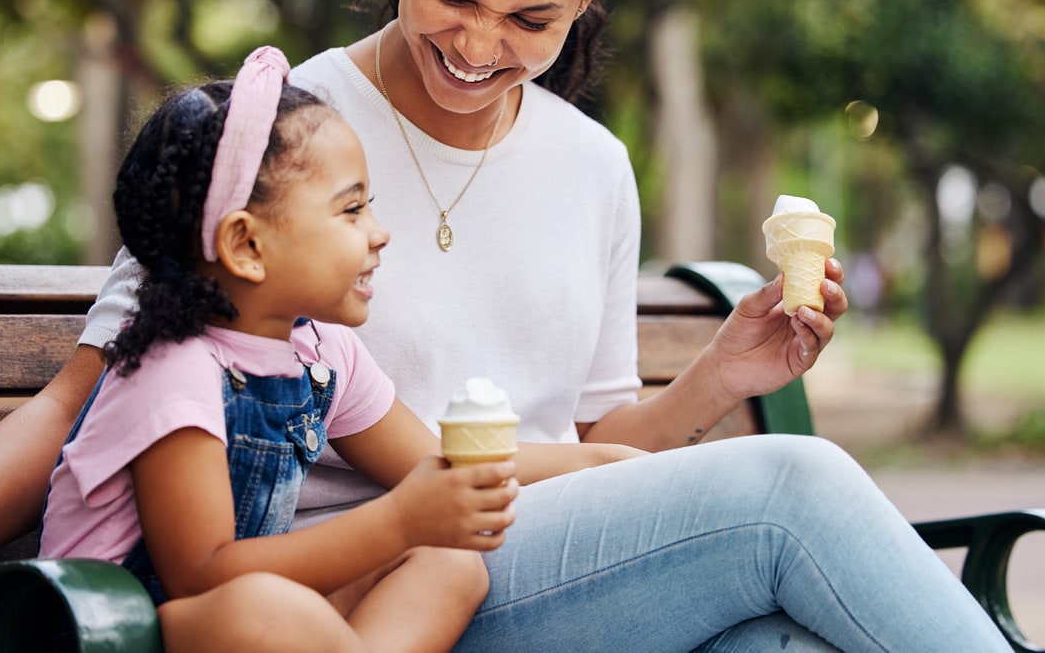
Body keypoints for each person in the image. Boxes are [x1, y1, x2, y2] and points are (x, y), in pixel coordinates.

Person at [0, 0, 1010, 651]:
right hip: (335, 589)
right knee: (791, 488)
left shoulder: (591, 166)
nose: (476, 46)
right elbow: (80, 397)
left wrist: (719, 376)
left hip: (495, 558)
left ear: (588, 1)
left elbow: (595, 442)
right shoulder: (284, 142)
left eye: (530, 19)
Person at [37, 46, 634, 653]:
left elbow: (431, 457)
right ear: (245, 245)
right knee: (265, 607)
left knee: (444, 559)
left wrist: (603, 462)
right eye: (351, 210)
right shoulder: (176, 373)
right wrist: (397, 519)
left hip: (245, 615)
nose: (379, 232)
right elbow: (200, 576)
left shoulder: (322, 353)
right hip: (113, 632)